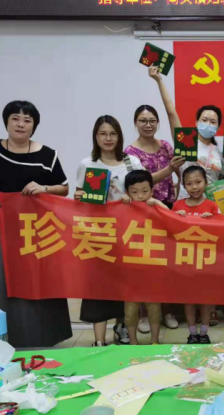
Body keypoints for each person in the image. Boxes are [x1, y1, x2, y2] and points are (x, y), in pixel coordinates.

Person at [0, 100, 72, 348]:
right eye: (15, 118)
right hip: (2, 231)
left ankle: (46, 336)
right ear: (7, 122)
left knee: (40, 283)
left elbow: (64, 188)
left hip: (40, 233)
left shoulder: (48, 155)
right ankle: (6, 339)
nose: (21, 124)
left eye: (27, 120)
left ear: (34, 125)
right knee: (5, 285)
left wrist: (44, 188)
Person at [74, 115, 179, 347]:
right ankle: (99, 340)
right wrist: (79, 196)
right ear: (95, 136)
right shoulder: (87, 164)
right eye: (103, 133)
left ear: (120, 136)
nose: (108, 138)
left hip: (132, 237)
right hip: (100, 234)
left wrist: (170, 171)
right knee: (100, 287)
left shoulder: (132, 161)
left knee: (126, 289)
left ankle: (122, 329)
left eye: (112, 133)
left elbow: (145, 187)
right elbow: (80, 197)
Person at [125, 65, 185, 332]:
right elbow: (142, 181)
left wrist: (159, 80)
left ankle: (167, 310)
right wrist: (169, 170)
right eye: (142, 120)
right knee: (143, 264)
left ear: (157, 123)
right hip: (142, 213)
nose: (147, 124)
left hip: (166, 209)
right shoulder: (129, 152)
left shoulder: (166, 146)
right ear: (136, 123)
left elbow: (173, 114)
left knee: (168, 263)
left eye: (152, 120)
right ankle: (143, 315)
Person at [173, 165, 220, 344]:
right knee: (189, 300)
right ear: (184, 186)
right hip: (185, 261)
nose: (194, 187)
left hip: (207, 261)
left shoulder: (213, 206)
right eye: (189, 183)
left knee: (206, 299)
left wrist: (213, 220)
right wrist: (177, 217)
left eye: (198, 182)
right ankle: (192, 333)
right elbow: (170, 231)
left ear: (206, 183)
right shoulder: (178, 206)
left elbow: (223, 232)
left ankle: (204, 333)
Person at [122, 170, 169, 345]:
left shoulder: (155, 206)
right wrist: (121, 201)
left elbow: (171, 217)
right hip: (130, 268)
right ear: (127, 192)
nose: (140, 196)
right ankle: (133, 342)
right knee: (130, 309)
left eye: (145, 191)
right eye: (134, 192)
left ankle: (155, 341)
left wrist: (157, 202)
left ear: (152, 190)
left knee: (153, 306)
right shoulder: (124, 206)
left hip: (152, 266)